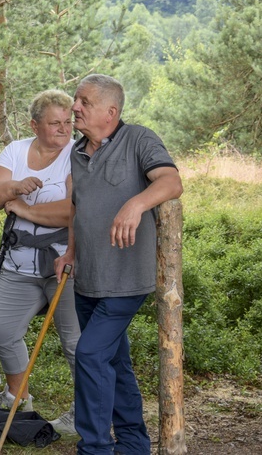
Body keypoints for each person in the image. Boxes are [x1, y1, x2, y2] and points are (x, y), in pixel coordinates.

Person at [54, 74, 183, 454]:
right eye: (76, 100)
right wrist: (71, 253)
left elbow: (171, 181)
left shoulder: (138, 139)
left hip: (126, 280)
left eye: (84, 102)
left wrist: (136, 203)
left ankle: (94, 448)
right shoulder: (77, 151)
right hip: (87, 279)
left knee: (91, 355)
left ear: (110, 112)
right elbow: (79, 211)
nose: (74, 107)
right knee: (116, 365)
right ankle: (133, 444)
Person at [0, 90, 80, 434]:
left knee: (76, 342)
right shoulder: (16, 150)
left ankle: (84, 413)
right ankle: (17, 396)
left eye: (68, 122)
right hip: (17, 262)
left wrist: (25, 208)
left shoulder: (75, 155)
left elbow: (72, 210)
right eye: (55, 123)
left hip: (63, 262)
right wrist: (14, 186)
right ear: (34, 124)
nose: (64, 129)